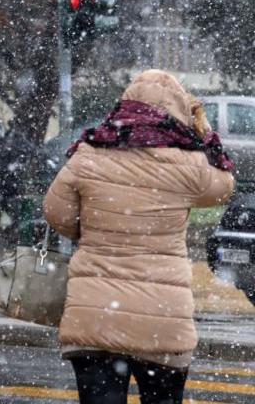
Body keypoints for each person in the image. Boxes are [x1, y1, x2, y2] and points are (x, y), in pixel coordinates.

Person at [43, 69, 235, 404]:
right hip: (162, 318)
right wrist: (202, 131)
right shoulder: (190, 166)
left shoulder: (89, 153)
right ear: (177, 111)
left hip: (96, 314)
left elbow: (56, 211)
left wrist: (95, 231)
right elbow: (225, 186)